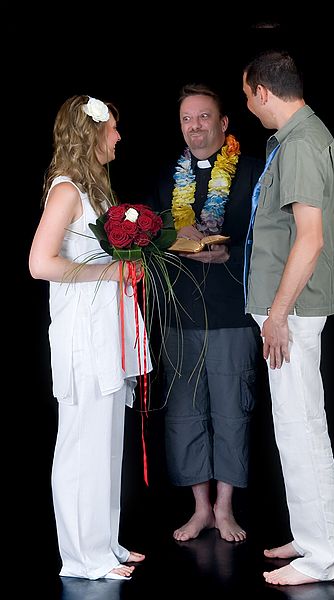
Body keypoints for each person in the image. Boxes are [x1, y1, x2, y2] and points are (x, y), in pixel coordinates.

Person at [242, 51, 334, 585]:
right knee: (298, 426)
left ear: (263, 91)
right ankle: (314, 538)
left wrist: (278, 315)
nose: (247, 105)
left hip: (293, 311)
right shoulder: (299, 138)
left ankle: (324, 555)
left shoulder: (303, 143)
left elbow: (310, 238)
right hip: (291, 309)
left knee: (301, 428)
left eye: (246, 95)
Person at [29, 95, 148, 580]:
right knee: (82, 445)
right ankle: (81, 559)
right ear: (92, 133)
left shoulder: (93, 190)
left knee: (106, 443)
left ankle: (104, 544)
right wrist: (108, 274)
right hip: (83, 334)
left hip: (107, 331)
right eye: (113, 129)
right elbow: (40, 264)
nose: (119, 137)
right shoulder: (66, 191)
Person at [148, 84, 264, 543]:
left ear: (223, 123)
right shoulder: (166, 179)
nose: (194, 126)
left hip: (233, 312)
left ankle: (225, 507)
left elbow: (269, 244)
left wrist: (228, 254)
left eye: (203, 117)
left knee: (232, 411)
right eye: (186, 119)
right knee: (184, 413)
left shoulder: (253, 174)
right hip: (180, 314)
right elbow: (156, 241)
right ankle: (199, 508)